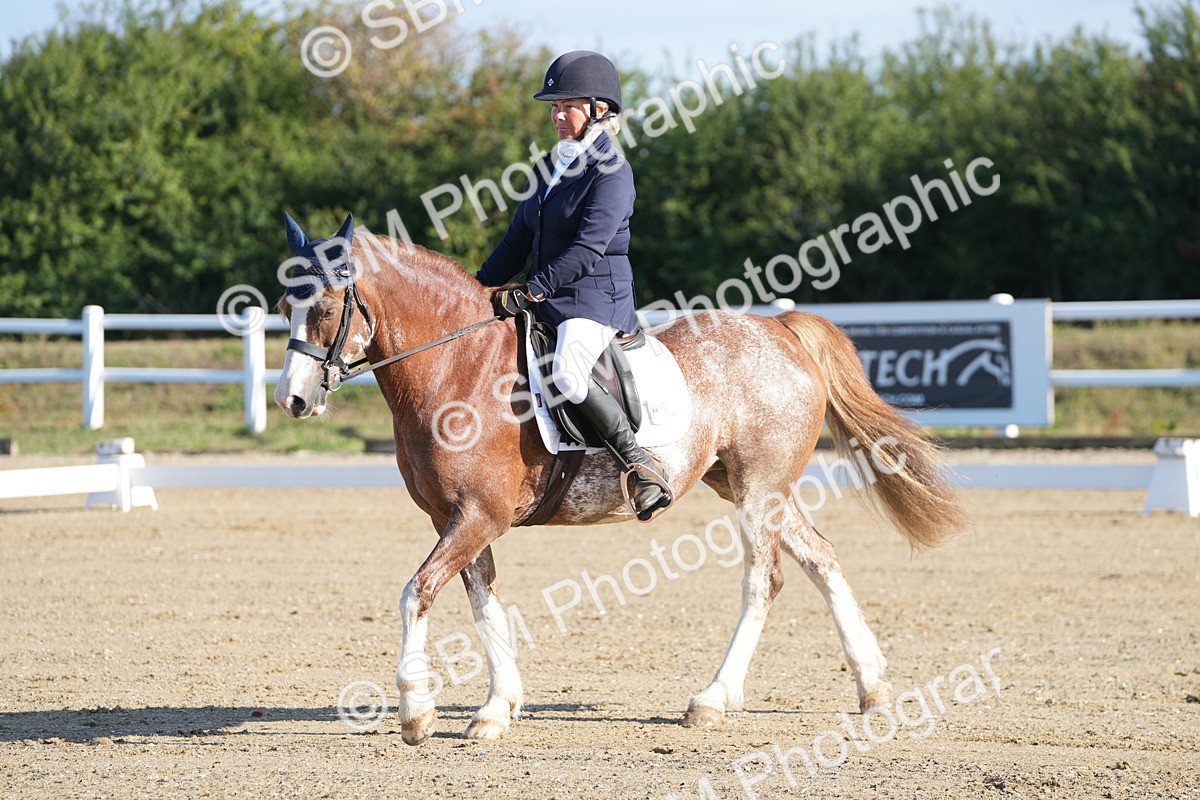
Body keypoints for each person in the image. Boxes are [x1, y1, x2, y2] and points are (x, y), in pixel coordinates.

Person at [476, 50, 671, 519]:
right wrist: (474, 290)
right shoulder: (548, 169)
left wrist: (532, 290)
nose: (558, 116)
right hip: (548, 295)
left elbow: (587, 250)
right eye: (553, 107)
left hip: (595, 300)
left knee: (566, 371)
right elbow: (515, 242)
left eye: (569, 105)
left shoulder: (613, 173)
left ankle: (639, 466)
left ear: (600, 109)